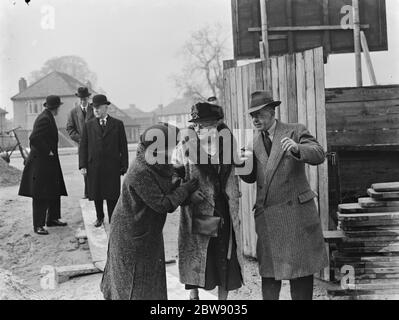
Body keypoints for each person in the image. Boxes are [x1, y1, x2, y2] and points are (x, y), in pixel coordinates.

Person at [240, 91, 328, 300]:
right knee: (269, 276)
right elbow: (251, 179)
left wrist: (298, 149)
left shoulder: (295, 131)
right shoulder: (252, 143)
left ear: (272, 111)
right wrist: (242, 165)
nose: (255, 119)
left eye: (259, 114)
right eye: (252, 115)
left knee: (300, 274)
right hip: (268, 217)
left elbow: (319, 154)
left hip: (295, 215)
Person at [100, 123, 199, 300]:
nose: (172, 152)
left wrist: (181, 171)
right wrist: (185, 189)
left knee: (149, 282)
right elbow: (163, 204)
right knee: (134, 283)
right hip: (132, 236)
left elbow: (165, 173)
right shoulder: (140, 172)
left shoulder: (151, 160)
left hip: (145, 231)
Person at [175, 102, 244, 300]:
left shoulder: (229, 143)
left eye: (204, 124)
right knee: (199, 254)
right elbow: (173, 177)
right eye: (196, 125)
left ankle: (223, 301)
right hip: (198, 208)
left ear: (216, 124)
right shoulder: (184, 146)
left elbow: (239, 168)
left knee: (224, 255)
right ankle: (194, 296)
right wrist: (187, 195)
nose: (199, 129)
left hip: (223, 207)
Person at [18, 95, 68, 235]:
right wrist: (49, 151)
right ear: (55, 107)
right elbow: (34, 138)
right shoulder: (44, 118)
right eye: (58, 107)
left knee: (53, 189)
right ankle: (38, 225)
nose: (59, 109)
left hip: (48, 163)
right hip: (41, 164)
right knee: (40, 194)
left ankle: (52, 219)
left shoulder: (47, 116)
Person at [79, 94, 128, 227]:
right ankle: (99, 217)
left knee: (112, 195)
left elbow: (123, 146)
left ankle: (113, 218)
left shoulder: (117, 124)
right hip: (94, 166)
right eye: (94, 108)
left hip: (112, 166)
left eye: (98, 107)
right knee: (97, 194)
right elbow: (83, 146)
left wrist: (124, 165)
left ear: (106, 108)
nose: (96, 110)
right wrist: (82, 165)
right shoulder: (88, 126)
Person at [66, 86, 94, 199]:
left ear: (88, 98)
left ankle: (95, 191)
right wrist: (80, 139)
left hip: (95, 144)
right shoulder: (73, 112)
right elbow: (70, 128)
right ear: (78, 99)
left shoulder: (94, 109)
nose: (83, 100)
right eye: (81, 98)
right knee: (84, 167)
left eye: (85, 98)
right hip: (82, 145)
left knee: (95, 166)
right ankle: (87, 192)